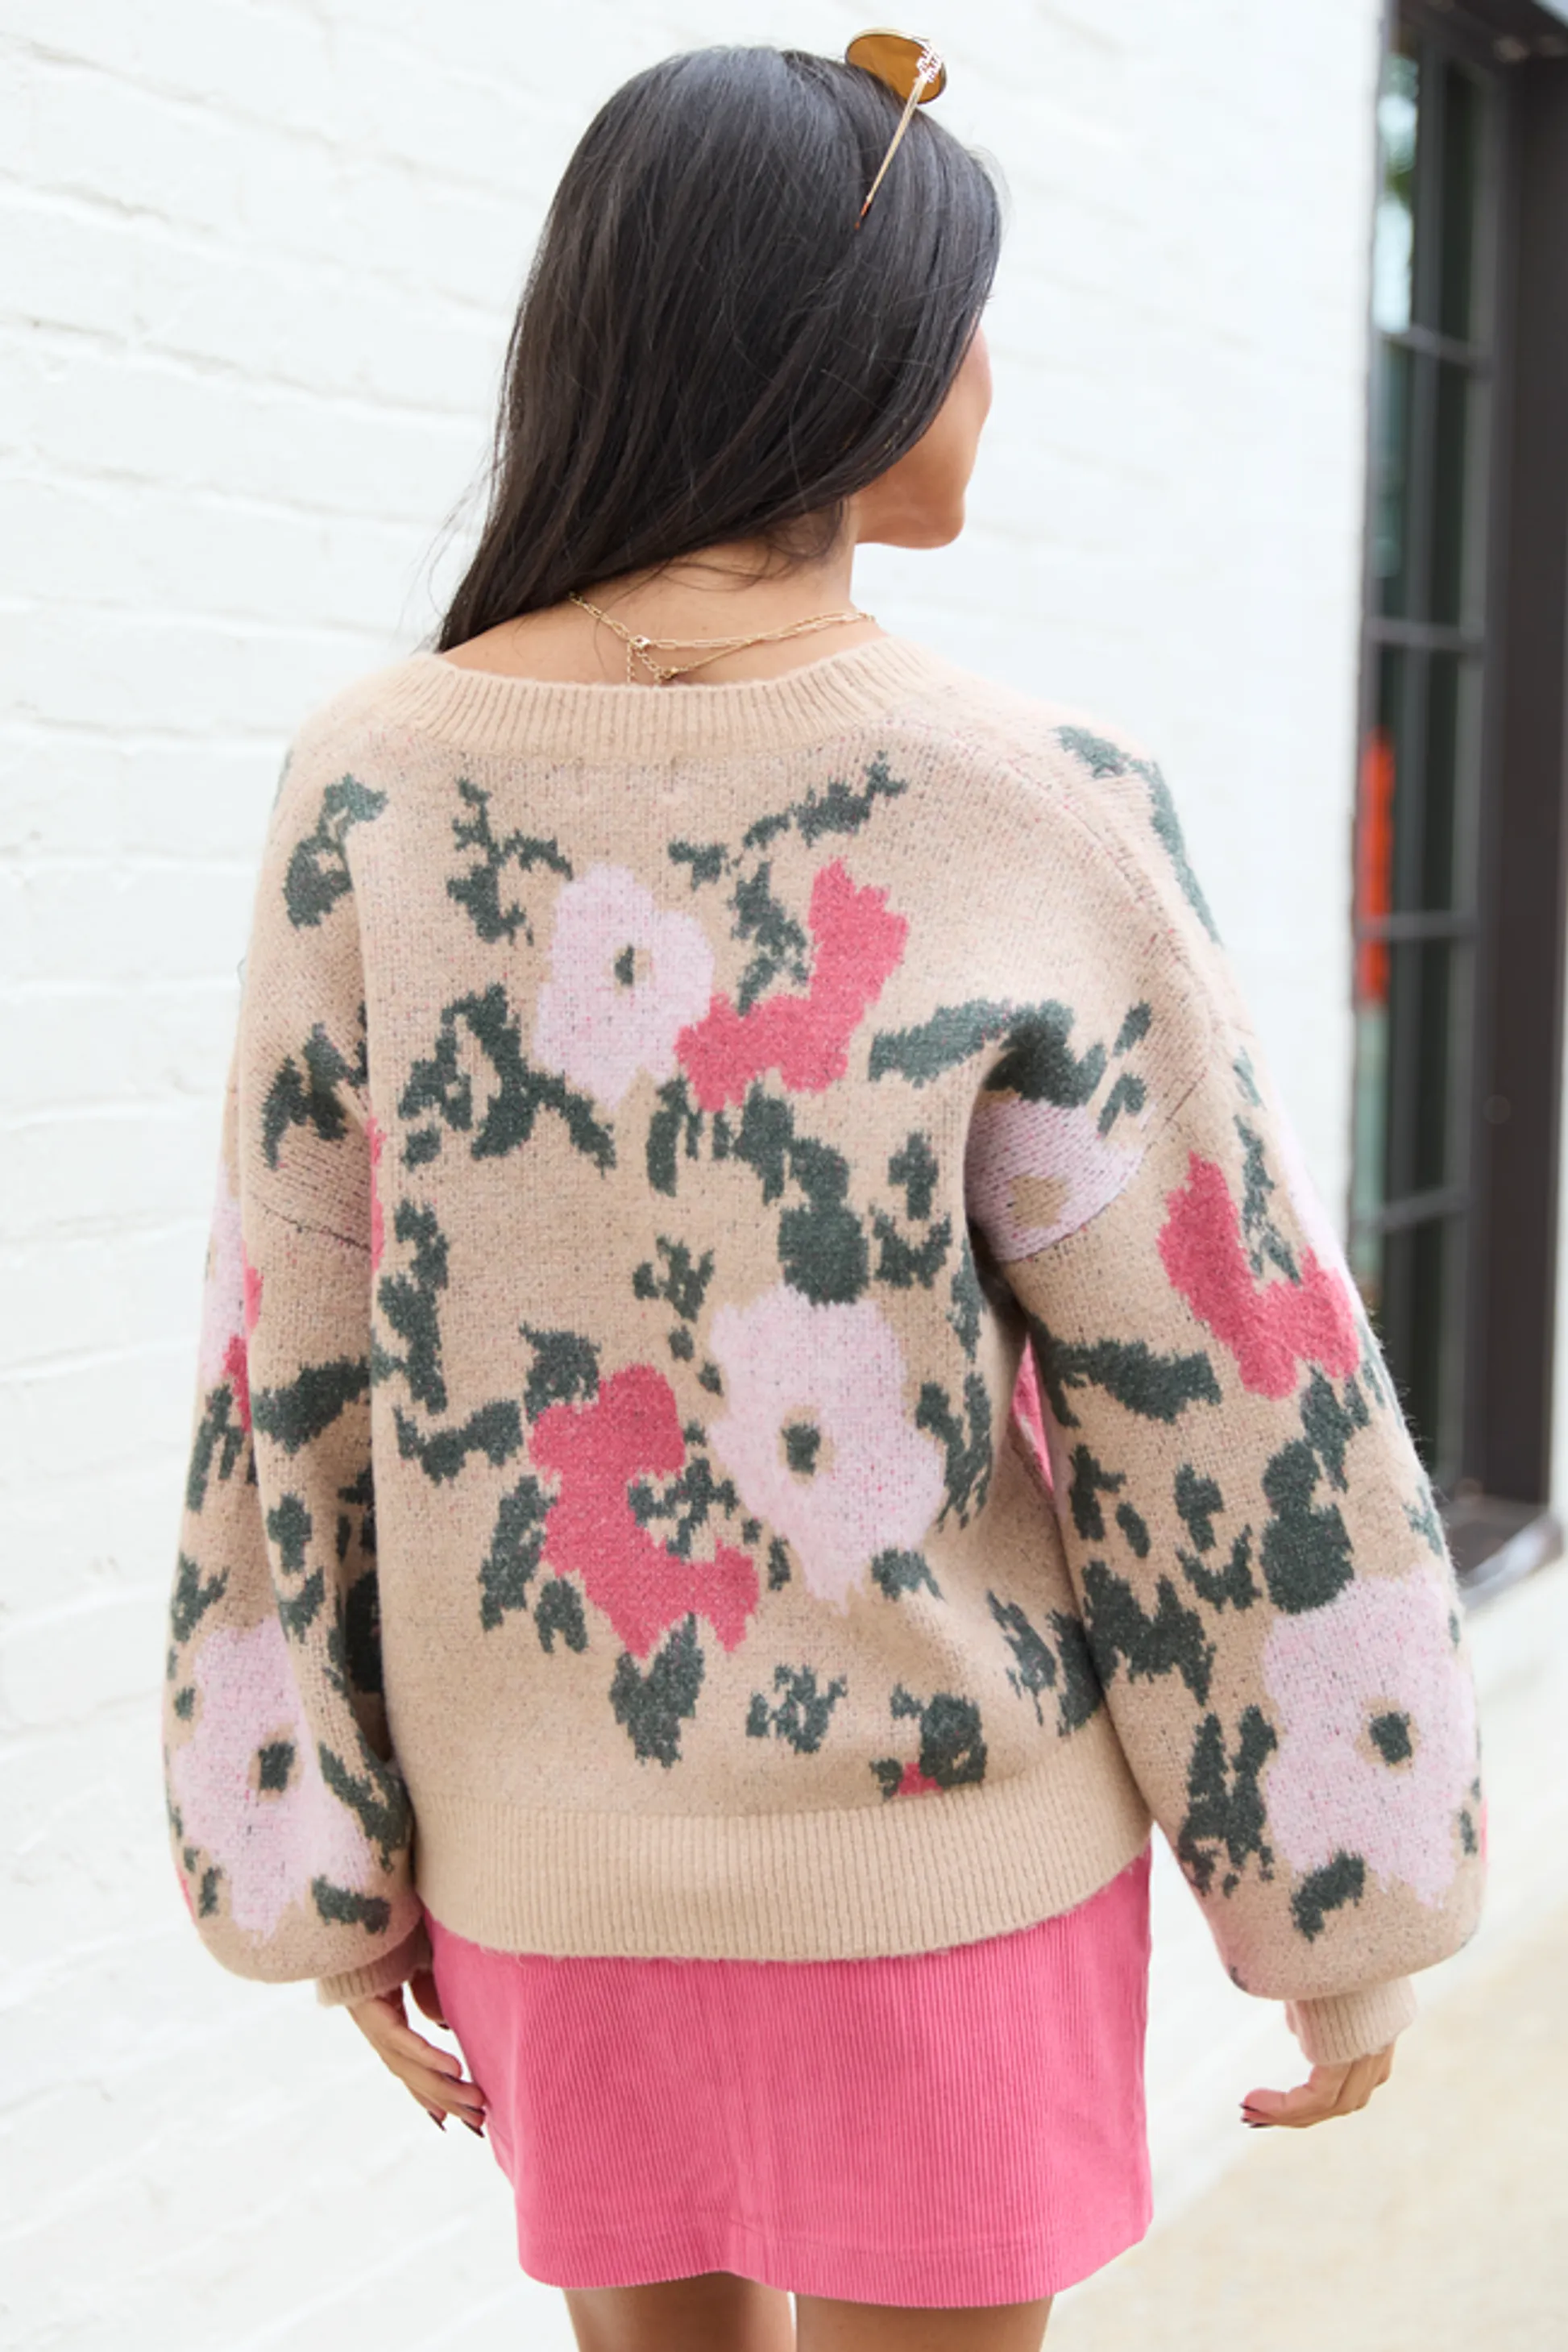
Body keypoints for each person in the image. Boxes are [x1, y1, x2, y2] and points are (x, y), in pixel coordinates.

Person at [161, 35, 1487, 2352]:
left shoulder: (368, 786)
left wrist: (320, 1855)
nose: (984, 371)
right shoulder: (1031, 802)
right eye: (961, 317)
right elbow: (1219, 1365)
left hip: (549, 1877)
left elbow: (291, 1352)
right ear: (838, 350)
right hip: (946, 1868)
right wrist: (1345, 1896)